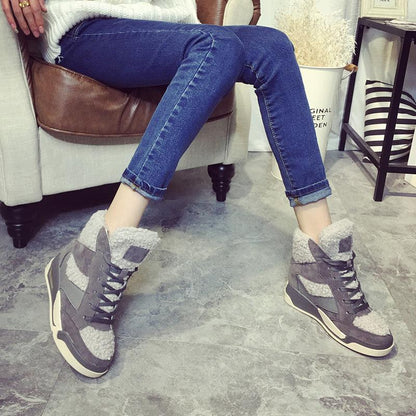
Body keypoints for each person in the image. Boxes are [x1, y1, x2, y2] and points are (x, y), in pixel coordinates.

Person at [2, 0, 394, 378]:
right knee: (216, 46)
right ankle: (97, 249)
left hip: (170, 26)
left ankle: (318, 260)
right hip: (87, 27)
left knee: (272, 46)